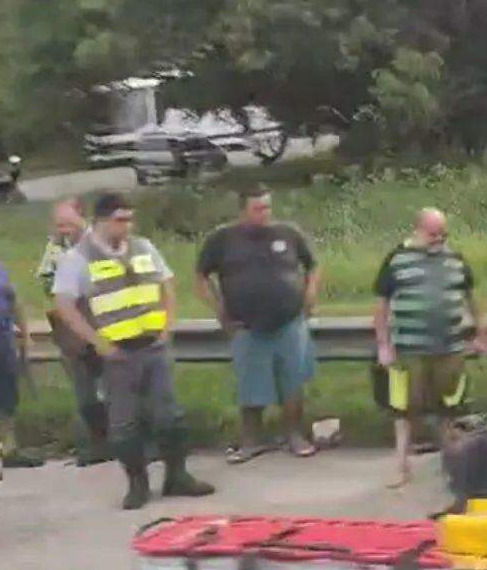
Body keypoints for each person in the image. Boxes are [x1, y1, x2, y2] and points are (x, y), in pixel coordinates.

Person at [53, 192, 214, 509]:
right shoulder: (79, 258)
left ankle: (177, 476)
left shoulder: (144, 247)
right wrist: (96, 342)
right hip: (117, 354)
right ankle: (137, 484)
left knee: (170, 417)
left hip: (153, 346)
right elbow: (64, 304)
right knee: (124, 424)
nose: (127, 226)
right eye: (120, 220)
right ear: (100, 221)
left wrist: (166, 326)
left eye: (129, 219)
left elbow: (167, 284)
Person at [196, 184, 322, 463]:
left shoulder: (288, 233)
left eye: (267, 207)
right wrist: (218, 308)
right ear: (243, 210)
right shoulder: (222, 239)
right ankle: (250, 442)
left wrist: (310, 293)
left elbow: (312, 265)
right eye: (258, 208)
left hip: (289, 321)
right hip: (246, 325)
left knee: (293, 382)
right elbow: (201, 276)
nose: (265, 213)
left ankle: (295, 436)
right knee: (251, 385)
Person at [372, 208, 487, 488]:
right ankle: (401, 467)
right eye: (433, 234)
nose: (438, 240)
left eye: (443, 234)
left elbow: (472, 300)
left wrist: (481, 336)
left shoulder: (456, 259)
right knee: (404, 410)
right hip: (409, 349)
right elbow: (381, 307)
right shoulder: (397, 259)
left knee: (449, 408)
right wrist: (383, 345)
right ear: (417, 230)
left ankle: (452, 466)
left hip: (450, 347)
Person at [36, 198, 110, 466]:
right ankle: (99, 443)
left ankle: (125, 440)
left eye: (68, 223)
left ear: (82, 218)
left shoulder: (98, 243)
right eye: (59, 225)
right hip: (71, 324)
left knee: (112, 386)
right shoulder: (55, 247)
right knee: (84, 389)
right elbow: (46, 279)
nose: (63, 230)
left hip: (101, 316)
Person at [0, 260, 44, 481]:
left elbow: (14, 302)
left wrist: (25, 333)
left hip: (0, 346)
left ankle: (5, 450)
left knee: (5, 401)